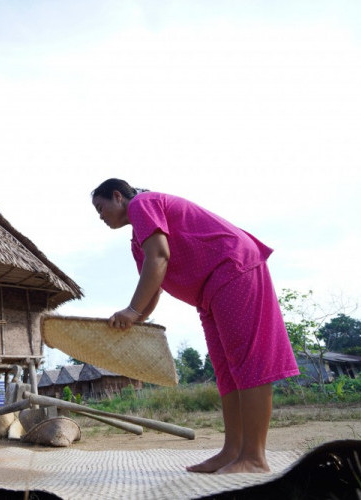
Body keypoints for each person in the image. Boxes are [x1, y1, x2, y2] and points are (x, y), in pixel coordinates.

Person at [91, 179, 299, 475]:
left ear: (117, 197)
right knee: (226, 370)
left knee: (245, 361)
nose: (100, 216)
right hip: (210, 292)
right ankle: (231, 451)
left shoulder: (142, 204)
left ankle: (253, 457)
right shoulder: (138, 239)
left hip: (232, 267)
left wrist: (133, 310)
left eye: (101, 208)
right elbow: (155, 287)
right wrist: (136, 320)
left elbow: (159, 257)